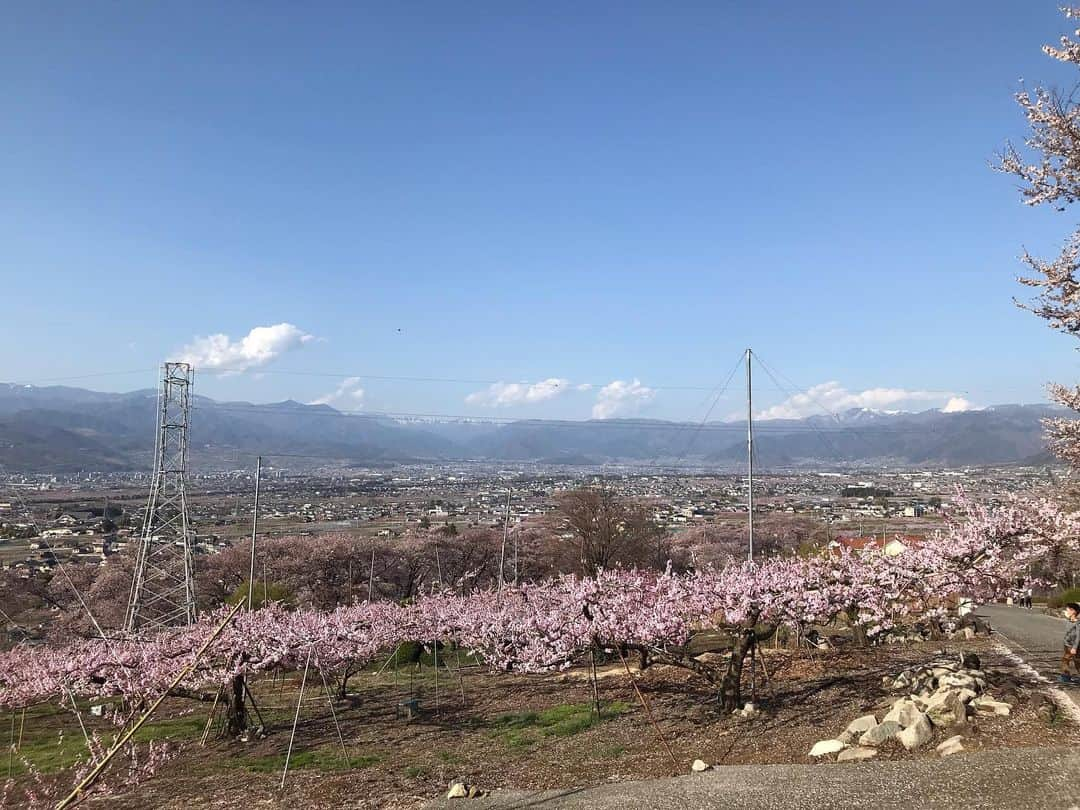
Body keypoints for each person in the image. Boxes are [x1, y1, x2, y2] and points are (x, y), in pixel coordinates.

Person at [1060, 602, 1080, 684]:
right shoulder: (1070, 620)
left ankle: (1066, 676)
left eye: (1068, 610)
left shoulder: (1078, 623)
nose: (1066, 611)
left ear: (1073, 611)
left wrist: (1075, 647)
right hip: (1067, 644)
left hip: (1074, 645)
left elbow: (1079, 636)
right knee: (1065, 660)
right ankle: (1065, 676)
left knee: (1077, 661)